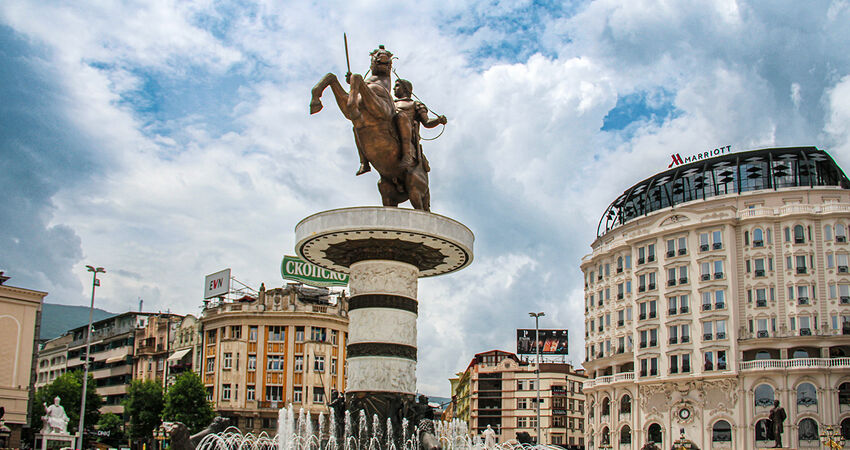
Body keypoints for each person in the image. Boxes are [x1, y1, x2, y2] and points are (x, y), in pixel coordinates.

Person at [393, 79, 446, 172]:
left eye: (397, 85)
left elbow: (427, 122)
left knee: (401, 116)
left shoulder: (415, 104)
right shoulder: (390, 103)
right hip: (390, 130)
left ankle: (407, 155)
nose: (393, 88)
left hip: (407, 134)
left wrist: (438, 120)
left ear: (405, 88)